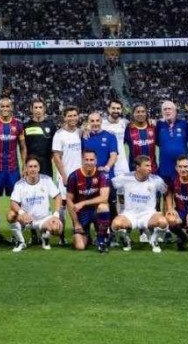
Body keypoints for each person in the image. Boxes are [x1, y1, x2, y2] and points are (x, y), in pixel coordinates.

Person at [110, 155, 169, 253]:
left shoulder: (156, 180)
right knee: (115, 224)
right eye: (147, 166)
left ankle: (154, 240)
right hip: (129, 215)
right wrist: (114, 202)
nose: (150, 169)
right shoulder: (125, 177)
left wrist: (169, 208)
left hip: (149, 215)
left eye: (150, 166)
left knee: (163, 222)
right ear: (138, 167)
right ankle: (126, 240)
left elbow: (167, 192)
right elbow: (110, 185)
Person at [8, 157, 63, 252]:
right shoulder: (19, 184)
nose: (33, 169)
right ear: (25, 168)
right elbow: (13, 202)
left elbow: (58, 196)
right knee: (11, 215)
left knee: (58, 228)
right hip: (26, 220)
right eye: (30, 166)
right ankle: (21, 242)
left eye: (35, 166)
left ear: (39, 168)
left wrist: (56, 215)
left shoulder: (46, 180)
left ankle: (45, 237)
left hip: (44, 219)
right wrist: (22, 213)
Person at [65, 151, 111, 252]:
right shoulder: (74, 176)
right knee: (79, 247)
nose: (89, 162)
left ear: (96, 161)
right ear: (82, 161)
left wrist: (84, 202)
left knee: (103, 206)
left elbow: (104, 198)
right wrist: (76, 223)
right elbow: (69, 200)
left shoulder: (102, 175)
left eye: (91, 160)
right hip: (81, 214)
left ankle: (101, 240)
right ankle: (86, 236)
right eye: (86, 160)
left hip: (96, 211)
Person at [52, 106, 82, 242]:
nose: (72, 118)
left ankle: (81, 231)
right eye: (69, 116)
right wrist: (64, 176)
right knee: (63, 205)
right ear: (64, 117)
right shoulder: (59, 135)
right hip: (65, 176)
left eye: (75, 115)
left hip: (80, 176)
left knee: (79, 204)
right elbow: (56, 157)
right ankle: (61, 236)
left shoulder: (80, 133)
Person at [0, 97, 26, 196]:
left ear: (11, 108)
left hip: (13, 170)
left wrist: (24, 165)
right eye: (2, 106)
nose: (5, 108)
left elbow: (23, 147)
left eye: (7, 106)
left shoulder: (18, 124)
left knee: (15, 199)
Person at [155, 100, 188, 186]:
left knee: (183, 192)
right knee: (167, 192)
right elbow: (157, 142)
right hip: (165, 166)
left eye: (169, 109)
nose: (167, 111)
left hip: (182, 167)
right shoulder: (159, 125)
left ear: (175, 111)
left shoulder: (184, 124)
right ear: (162, 112)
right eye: (165, 109)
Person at [22, 98, 56, 179]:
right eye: (35, 107)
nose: (38, 110)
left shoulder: (51, 126)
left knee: (47, 189)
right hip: (31, 164)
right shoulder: (25, 126)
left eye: (40, 107)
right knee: (31, 189)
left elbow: (54, 147)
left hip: (46, 164)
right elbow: (23, 147)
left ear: (44, 109)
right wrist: (24, 165)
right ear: (31, 109)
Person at [124, 103, 157, 173]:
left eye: (143, 111)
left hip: (152, 170)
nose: (140, 114)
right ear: (133, 114)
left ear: (146, 113)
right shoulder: (128, 129)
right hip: (134, 170)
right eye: (138, 112)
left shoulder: (153, 127)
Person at [101, 99, 129, 179]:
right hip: (107, 163)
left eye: (118, 108)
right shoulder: (101, 124)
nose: (116, 110)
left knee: (123, 190)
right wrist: (85, 129)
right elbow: (86, 128)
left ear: (121, 110)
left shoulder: (125, 123)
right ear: (108, 109)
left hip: (122, 163)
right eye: (113, 108)